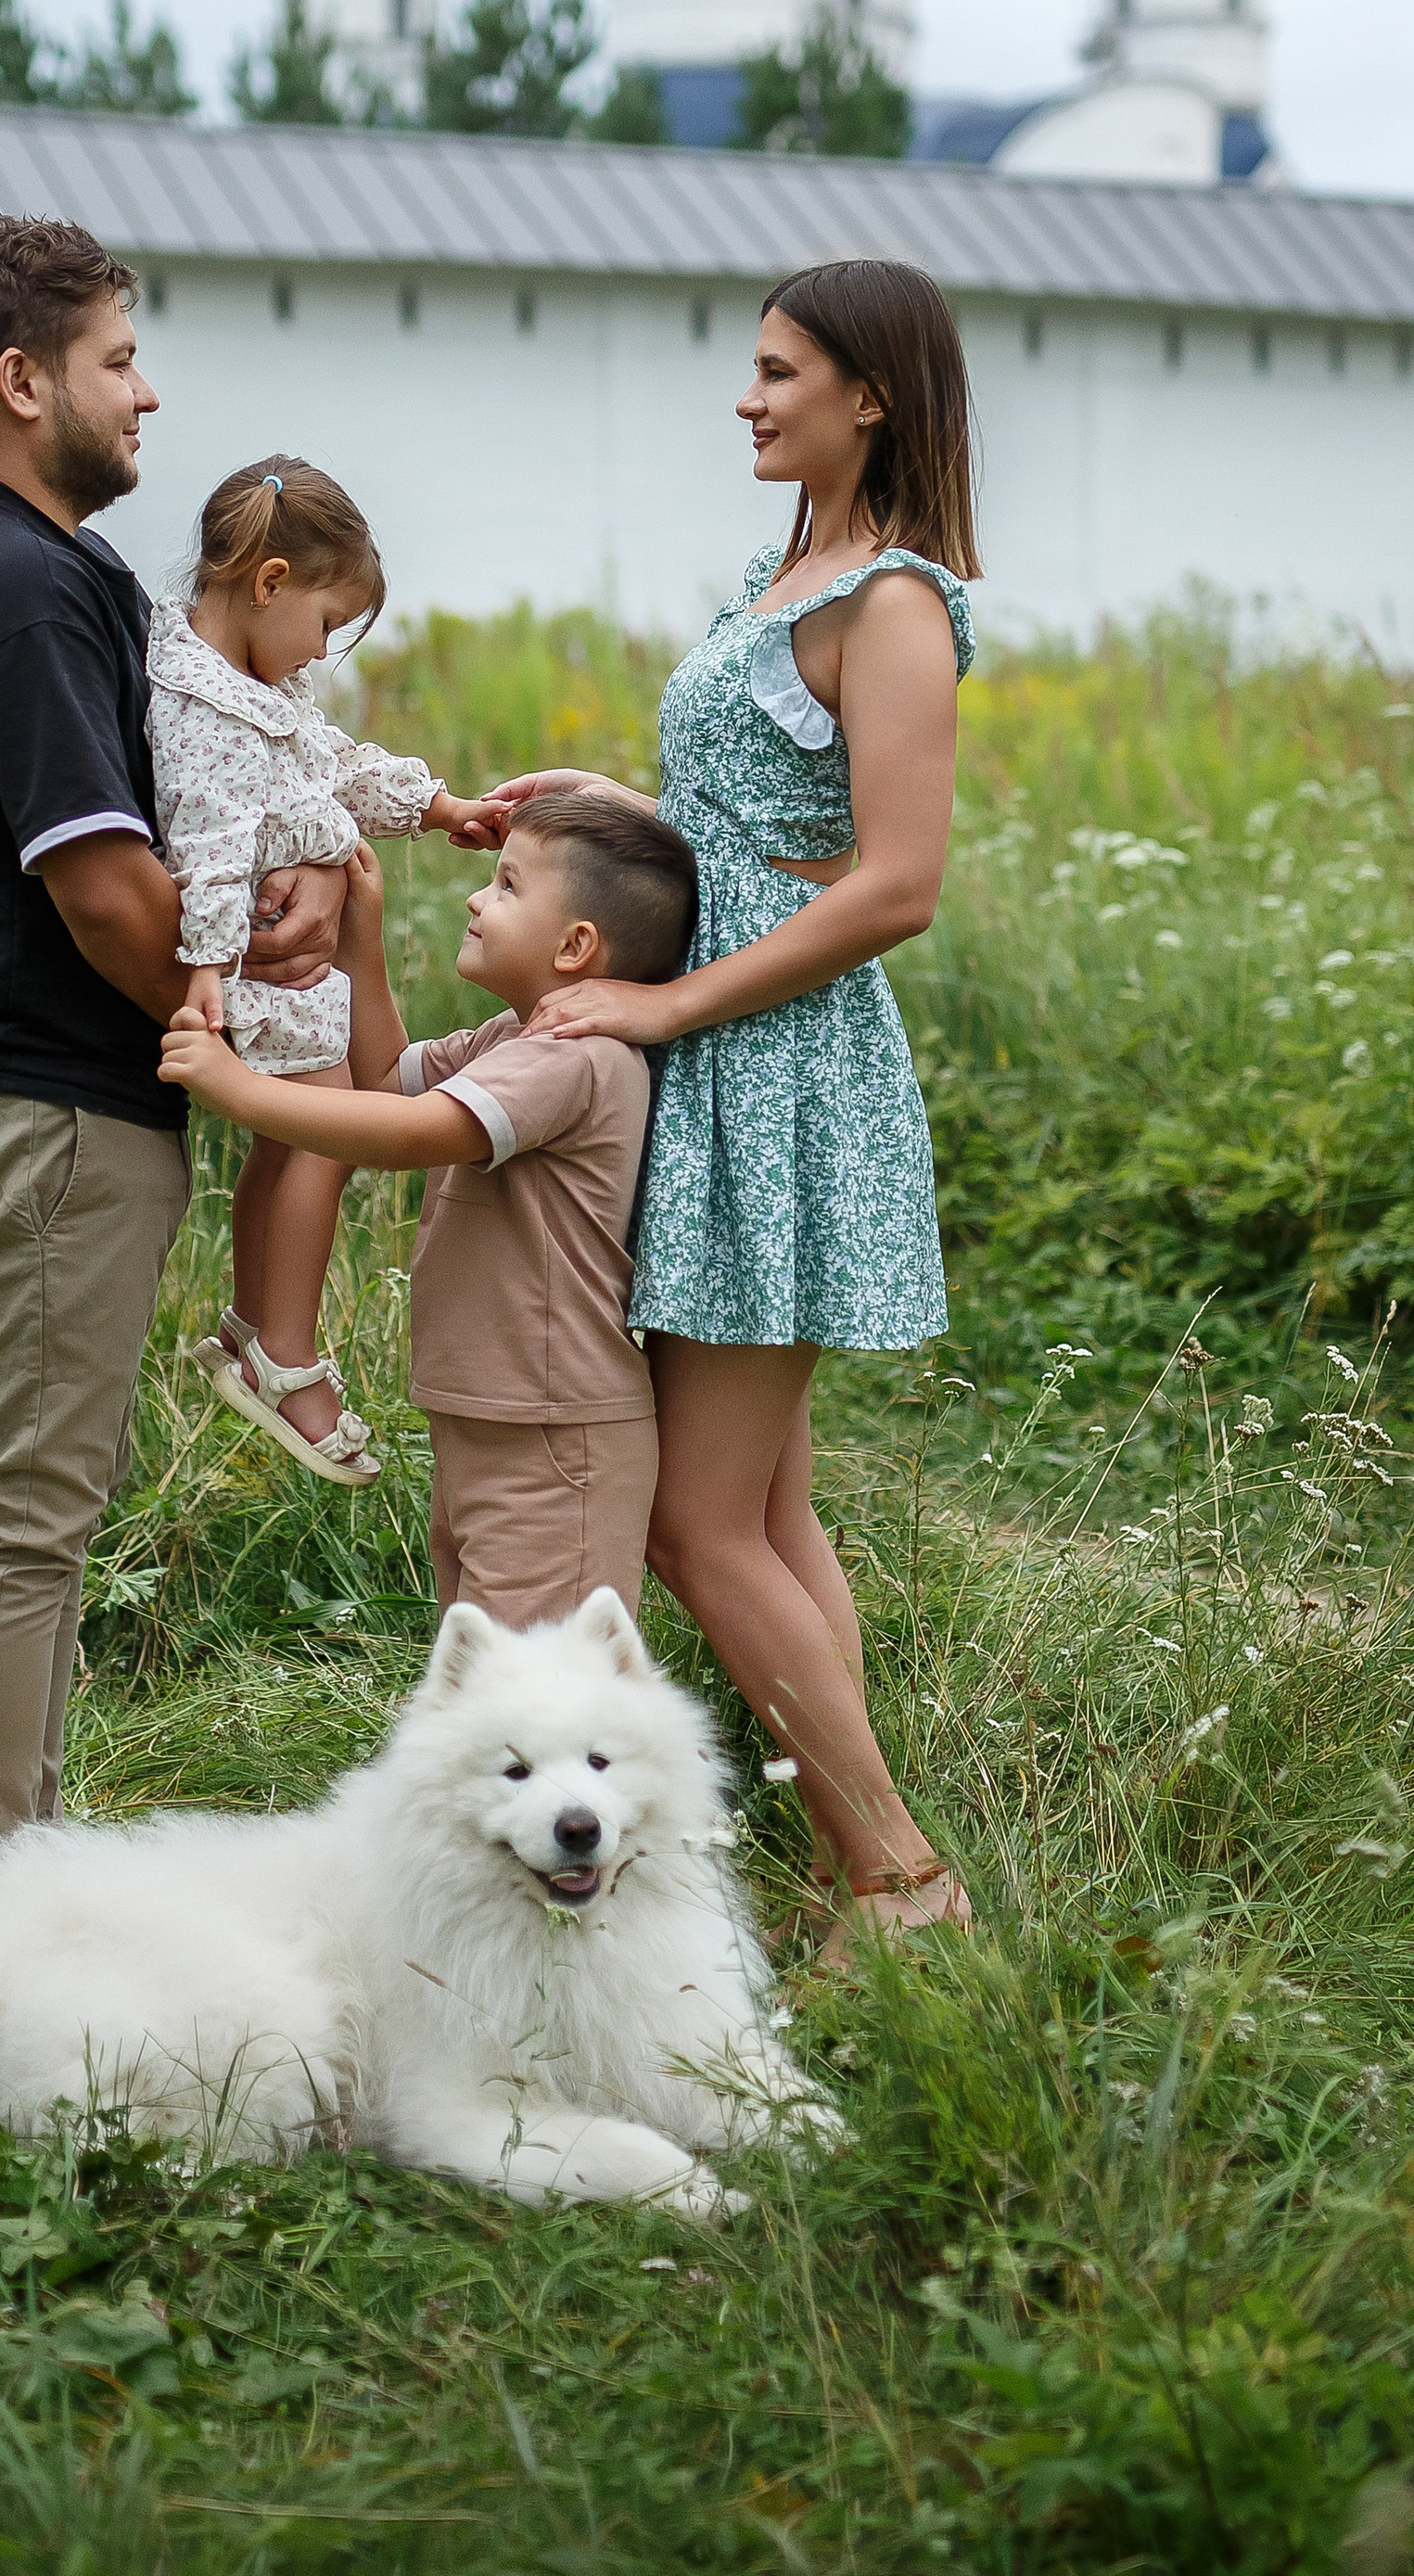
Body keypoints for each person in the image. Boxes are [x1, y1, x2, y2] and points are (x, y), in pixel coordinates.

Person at [456, 257, 981, 1956]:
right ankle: (852, 1865)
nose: (748, 399)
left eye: (777, 372)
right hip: (726, 1061)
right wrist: (608, 801)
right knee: (762, 1511)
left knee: (694, 1525)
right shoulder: (790, 565)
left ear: (870, 394)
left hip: (778, 1066)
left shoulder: (890, 601)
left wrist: (671, 995)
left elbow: (894, 883)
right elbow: (757, 811)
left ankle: (905, 1881)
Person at [0, 213, 349, 1872]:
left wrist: (253, 920)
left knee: (40, 1523)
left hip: (33, 1106)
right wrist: (247, 1029)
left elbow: (165, 852)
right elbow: (97, 890)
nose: (148, 397)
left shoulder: (43, 570)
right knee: (22, 1530)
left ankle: (18, 1869)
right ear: (24, 382)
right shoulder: (17, 588)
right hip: (35, 1115)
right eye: (119, 361)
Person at [159, 787, 700, 1628]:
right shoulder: (513, 1038)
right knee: (488, 1678)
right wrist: (359, 946)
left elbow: (412, 1131)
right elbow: (385, 1077)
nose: (477, 896)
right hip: (501, 1415)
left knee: (542, 1702)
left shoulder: (574, 1057)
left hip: (554, 1434)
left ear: (576, 946)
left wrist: (238, 1090)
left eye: (509, 886)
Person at [147, 457, 478, 1486]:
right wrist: (202, 975)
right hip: (258, 965)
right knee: (321, 1135)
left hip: (273, 965)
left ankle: (258, 1323)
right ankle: (283, 1352)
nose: (323, 652)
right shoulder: (205, 710)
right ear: (272, 580)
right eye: (328, 625)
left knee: (291, 1142)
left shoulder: (255, 685)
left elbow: (335, 762)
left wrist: (437, 807)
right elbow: (204, 843)